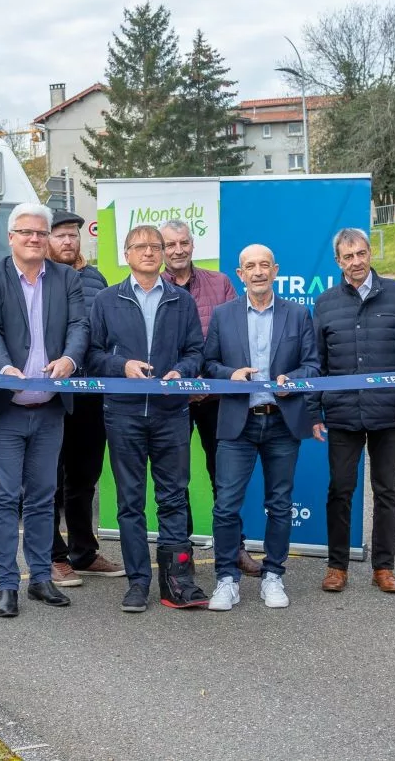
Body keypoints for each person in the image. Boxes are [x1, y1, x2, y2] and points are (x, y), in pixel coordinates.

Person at [0, 203, 88, 618]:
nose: (34, 239)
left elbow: (79, 326)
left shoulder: (67, 278)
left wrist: (70, 360)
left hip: (50, 409)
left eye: (41, 232)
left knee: (42, 498)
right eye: (26, 232)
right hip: (3, 410)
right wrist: (5, 370)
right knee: (4, 499)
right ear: (11, 237)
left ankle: (40, 578)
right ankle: (6, 585)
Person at [88, 224, 208, 613]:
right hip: (123, 414)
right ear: (126, 254)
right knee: (130, 502)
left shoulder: (181, 300)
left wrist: (182, 372)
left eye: (155, 246)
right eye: (139, 246)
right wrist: (121, 366)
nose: (149, 252)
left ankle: (177, 582)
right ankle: (138, 582)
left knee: (173, 498)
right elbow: (92, 355)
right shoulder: (107, 300)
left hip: (171, 414)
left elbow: (196, 351)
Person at [203, 244, 319, 612]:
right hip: (237, 423)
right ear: (240, 274)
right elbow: (208, 363)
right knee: (225, 506)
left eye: (264, 265)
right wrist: (230, 374)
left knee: (280, 505)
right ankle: (226, 579)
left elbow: (313, 365)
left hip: (282, 422)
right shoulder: (223, 315)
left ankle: (273, 575)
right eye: (250, 266)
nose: (258, 272)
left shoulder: (298, 314)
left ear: (275, 270)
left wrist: (293, 379)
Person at [310, 228, 395, 594]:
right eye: (348, 256)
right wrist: (314, 411)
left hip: (389, 414)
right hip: (342, 413)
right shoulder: (325, 303)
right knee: (340, 490)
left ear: (370, 253)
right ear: (338, 261)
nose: (356, 261)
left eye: (361, 253)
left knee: (386, 491)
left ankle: (383, 568)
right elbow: (317, 363)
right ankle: (337, 566)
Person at [159, 219, 262, 577]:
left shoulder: (219, 283)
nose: (178, 250)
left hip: (218, 398)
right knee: (175, 478)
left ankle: (234, 547)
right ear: (161, 249)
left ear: (192, 244)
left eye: (183, 242)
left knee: (224, 477)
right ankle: (181, 549)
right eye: (170, 244)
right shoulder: (153, 287)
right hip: (172, 399)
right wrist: (184, 382)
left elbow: (237, 336)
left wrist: (208, 379)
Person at [46, 209, 124, 588]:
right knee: (47, 480)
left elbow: (103, 335)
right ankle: (52, 556)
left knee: (84, 477)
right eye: (60, 235)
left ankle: (84, 552)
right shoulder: (37, 278)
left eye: (73, 235)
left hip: (91, 395)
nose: (68, 241)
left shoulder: (95, 278)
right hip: (49, 393)